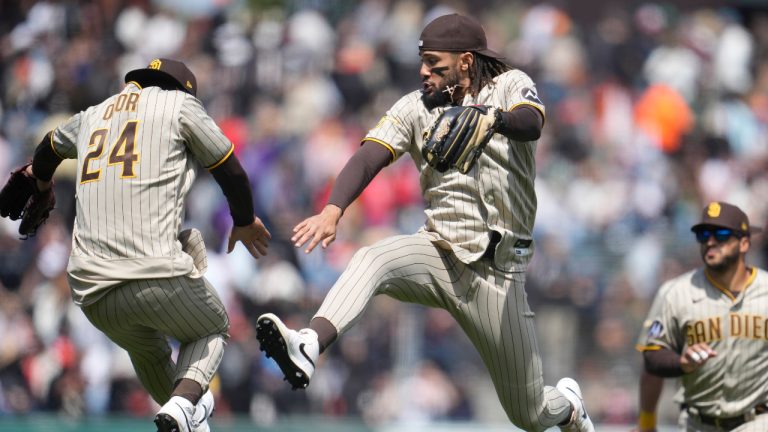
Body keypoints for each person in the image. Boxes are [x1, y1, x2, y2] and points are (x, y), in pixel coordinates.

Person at [256, 13, 594, 432]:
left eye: (435, 64)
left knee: (529, 415)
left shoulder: (508, 85)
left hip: (498, 274)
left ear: (467, 62)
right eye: (422, 62)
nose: (423, 71)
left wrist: (494, 119)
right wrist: (334, 209)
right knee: (374, 257)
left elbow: (532, 122)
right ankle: (309, 343)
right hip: (438, 253)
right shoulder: (416, 106)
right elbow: (369, 155)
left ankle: (569, 405)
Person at [0, 58, 271, 432]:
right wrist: (244, 221)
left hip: (92, 293)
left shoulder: (93, 114)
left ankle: (188, 416)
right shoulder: (179, 105)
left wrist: (41, 182)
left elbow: (47, 148)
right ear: (182, 90)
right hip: (154, 271)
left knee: (147, 349)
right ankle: (184, 405)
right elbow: (230, 169)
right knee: (213, 327)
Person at [641, 201, 768, 431]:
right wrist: (681, 363)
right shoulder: (676, 292)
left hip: (757, 421)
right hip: (697, 423)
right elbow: (652, 356)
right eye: (703, 234)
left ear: (744, 242)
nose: (710, 241)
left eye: (721, 234)